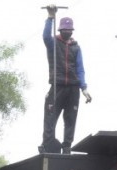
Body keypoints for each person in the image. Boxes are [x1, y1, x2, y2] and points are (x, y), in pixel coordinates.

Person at [40, 5, 91, 155]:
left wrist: (84, 88)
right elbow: (45, 36)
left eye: (70, 30)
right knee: (50, 118)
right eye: (65, 30)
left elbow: (80, 68)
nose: (68, 32)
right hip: (58, 86)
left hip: (73, 88)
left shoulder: (76, 47)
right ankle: (48, 144)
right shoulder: (53, 44)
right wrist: (50, 17)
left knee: (70, 119)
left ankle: (67, 147)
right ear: (60, 30)